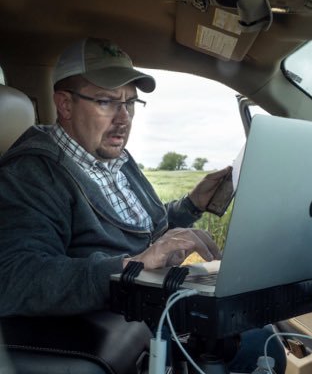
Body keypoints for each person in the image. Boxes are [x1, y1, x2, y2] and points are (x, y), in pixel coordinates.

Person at [0, 38, 285, 373]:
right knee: (256, 346)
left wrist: (192, 205)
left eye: (131, 103)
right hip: (120, 314)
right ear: (64, 104)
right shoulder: (32, 173)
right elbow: (16, 278)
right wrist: (132, 266)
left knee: (262, 330)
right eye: (107, 102)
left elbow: (145, 226)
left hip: (153, 298)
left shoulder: (115, 156)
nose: (124, 119)